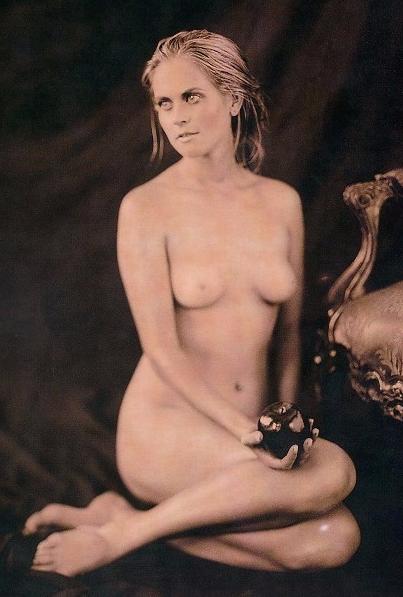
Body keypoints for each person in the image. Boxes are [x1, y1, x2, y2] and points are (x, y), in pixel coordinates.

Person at [24, 30, 360, 576]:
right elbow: (161, 351)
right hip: (167, 429)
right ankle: (123, 536)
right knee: (334, 473)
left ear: (233, 99)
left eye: (191, 96)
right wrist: (245, 433)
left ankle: (122, 521)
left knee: (333, 539)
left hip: (252, 428)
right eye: (164, 103)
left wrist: (285, 425)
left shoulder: (282, 204)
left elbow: (288, 337)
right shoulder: (146, 208)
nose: (176, 116)